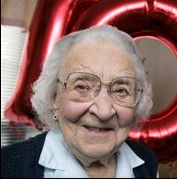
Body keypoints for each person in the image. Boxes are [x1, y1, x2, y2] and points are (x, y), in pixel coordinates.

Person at [1, 25, 158, 178]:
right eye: (82, 87)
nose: (103, 112)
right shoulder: (6, 166)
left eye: (120, 90)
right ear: (54, 98)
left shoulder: (147, 162)